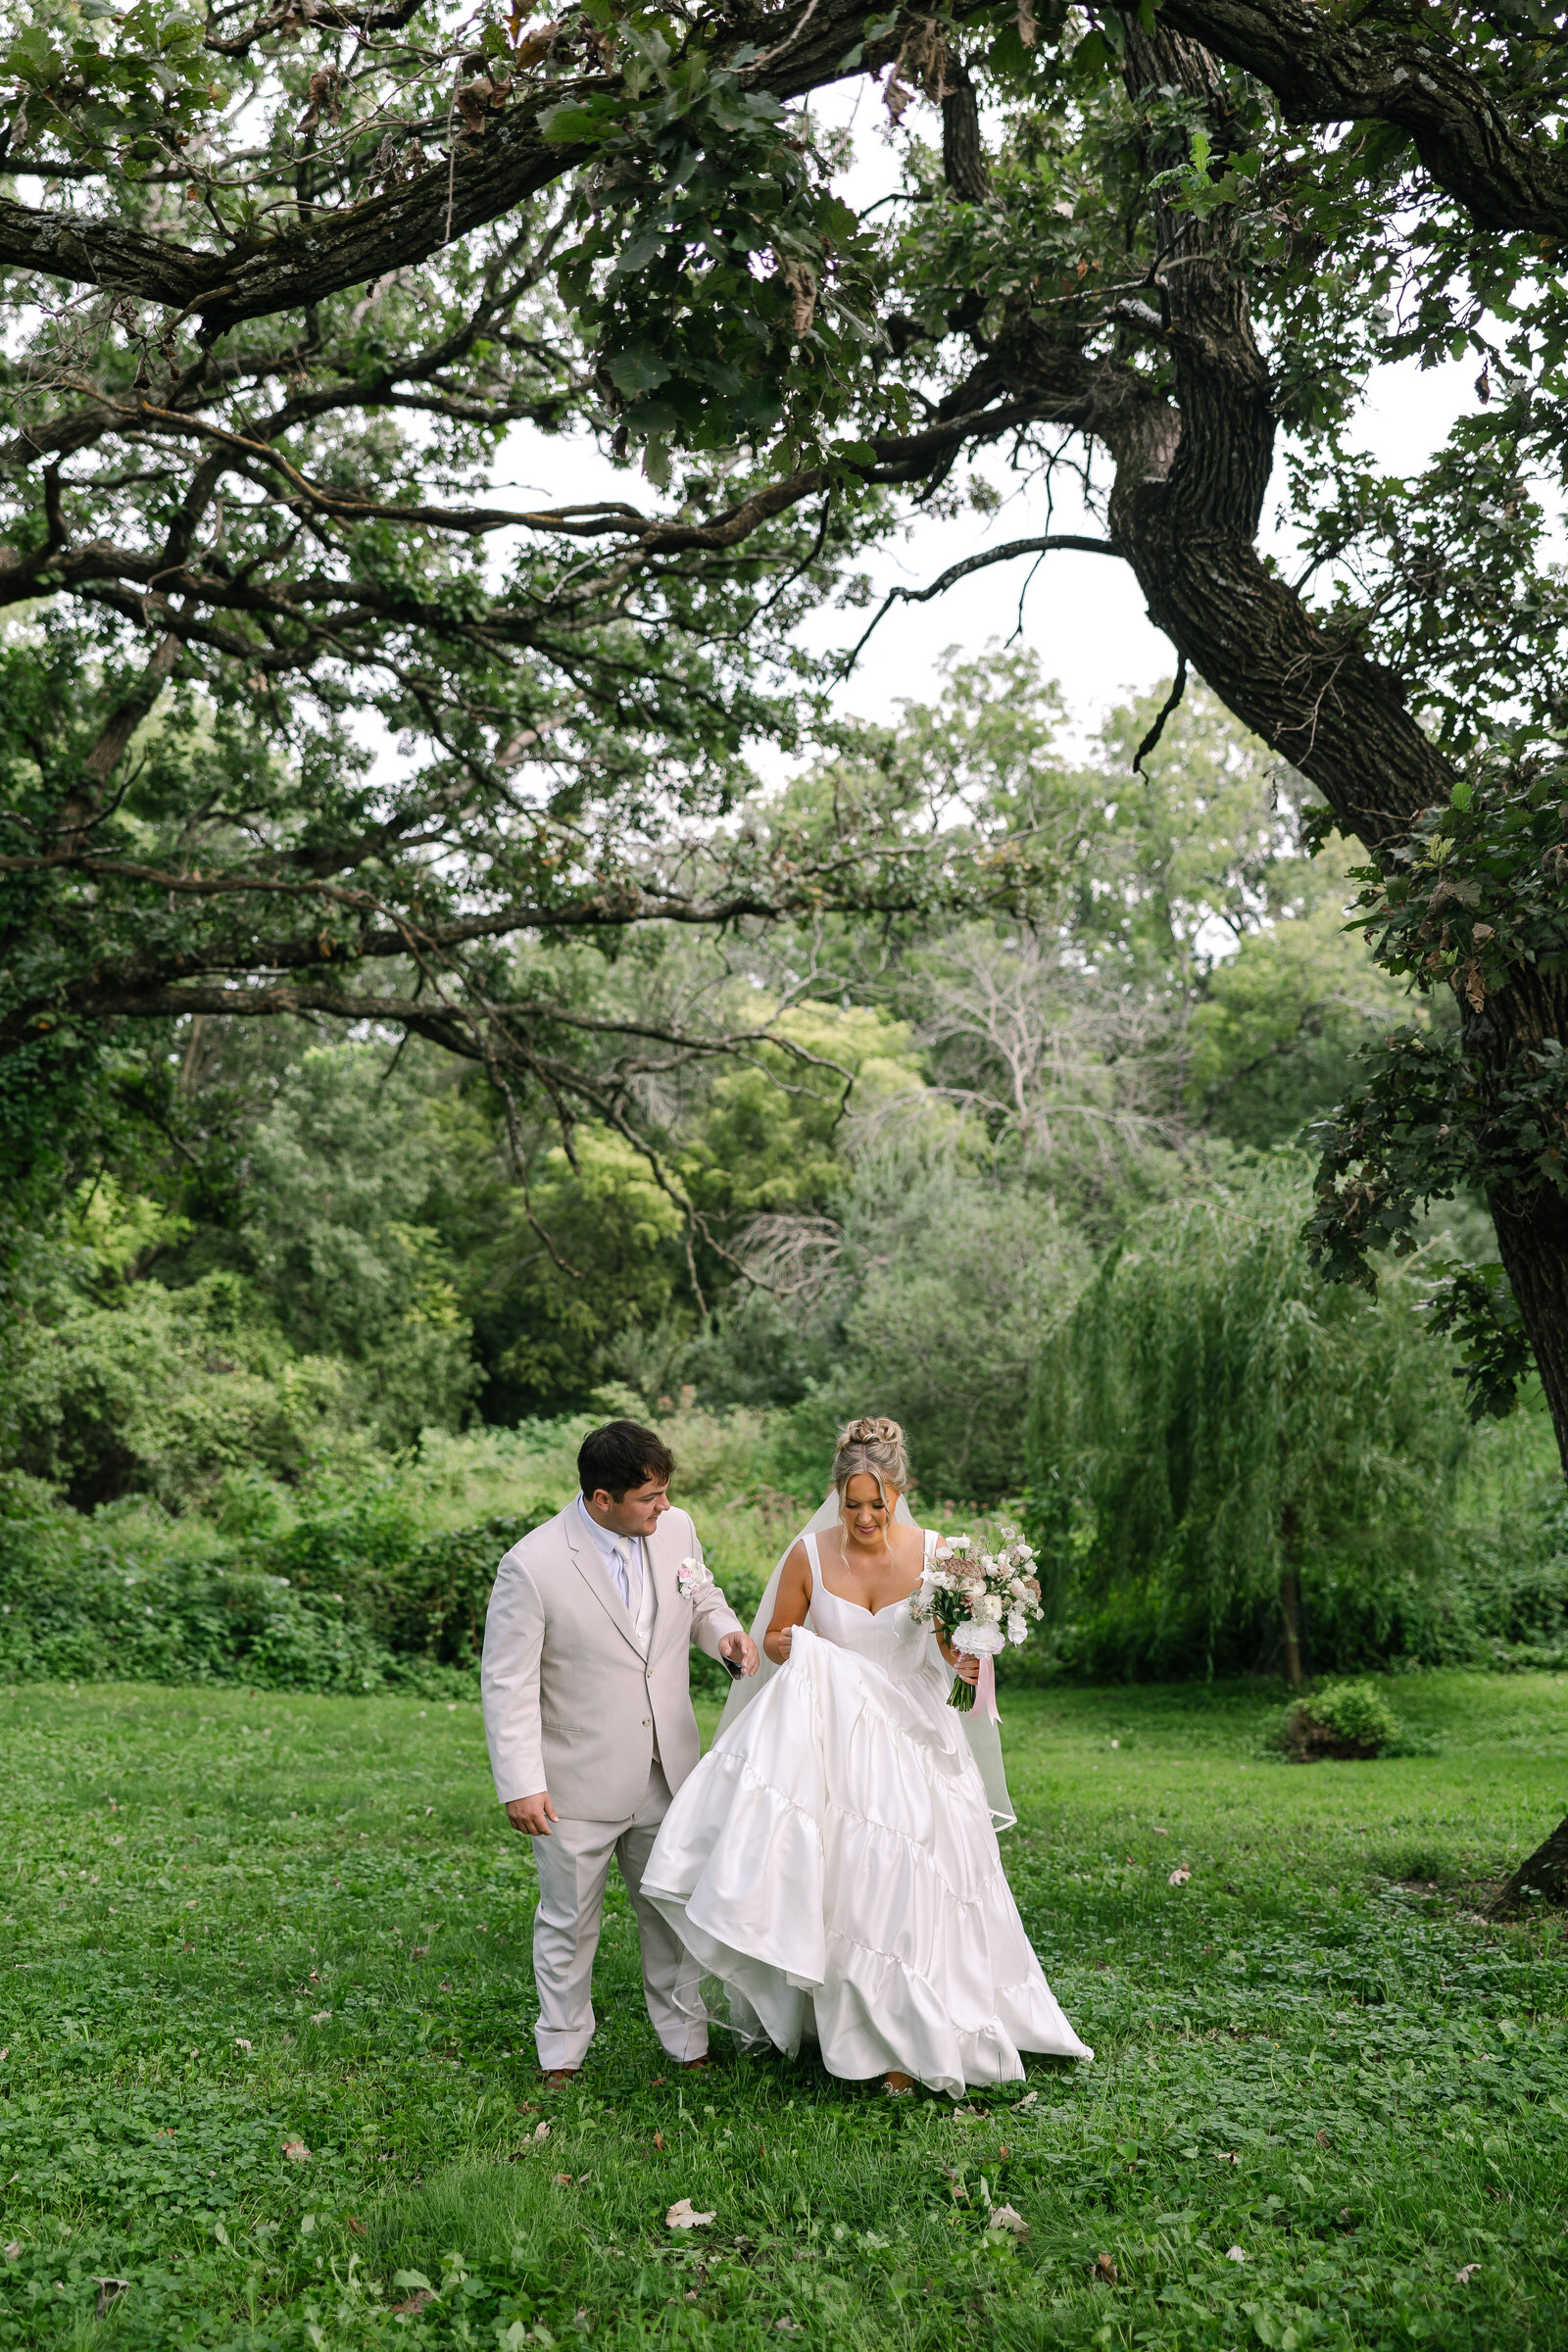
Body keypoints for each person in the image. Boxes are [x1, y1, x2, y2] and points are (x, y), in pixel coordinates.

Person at [641, 1415, 1092, 2098]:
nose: (863, 1518)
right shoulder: (809, 1555)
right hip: (837, 1735)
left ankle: (917, 2030)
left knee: (916, 1878)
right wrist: (794, 1648)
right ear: (837, 1496)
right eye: (851, 1505)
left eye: (876, 1505)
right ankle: (862, 2031)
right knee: (855, 1883)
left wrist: (968, 1655)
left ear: (899, 1492)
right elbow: (779, 1639)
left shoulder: (941, 1554)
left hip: (914, 1733)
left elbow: (947, 1649)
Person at [480, 1419, 759, 2082]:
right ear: (602, 1498)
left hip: (669, 1767)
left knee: (670, 1912)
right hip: (574, 1782)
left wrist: (724, 1633)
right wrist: (520, 1782)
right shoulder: (534, 1563)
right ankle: (562, 2053)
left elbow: (702, 1599)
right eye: (649, 1498)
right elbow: (507, 1682)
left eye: (666, 1494)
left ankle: (687, 2042)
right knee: (569, 1924)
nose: (664, 1508)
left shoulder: (676, 1530)